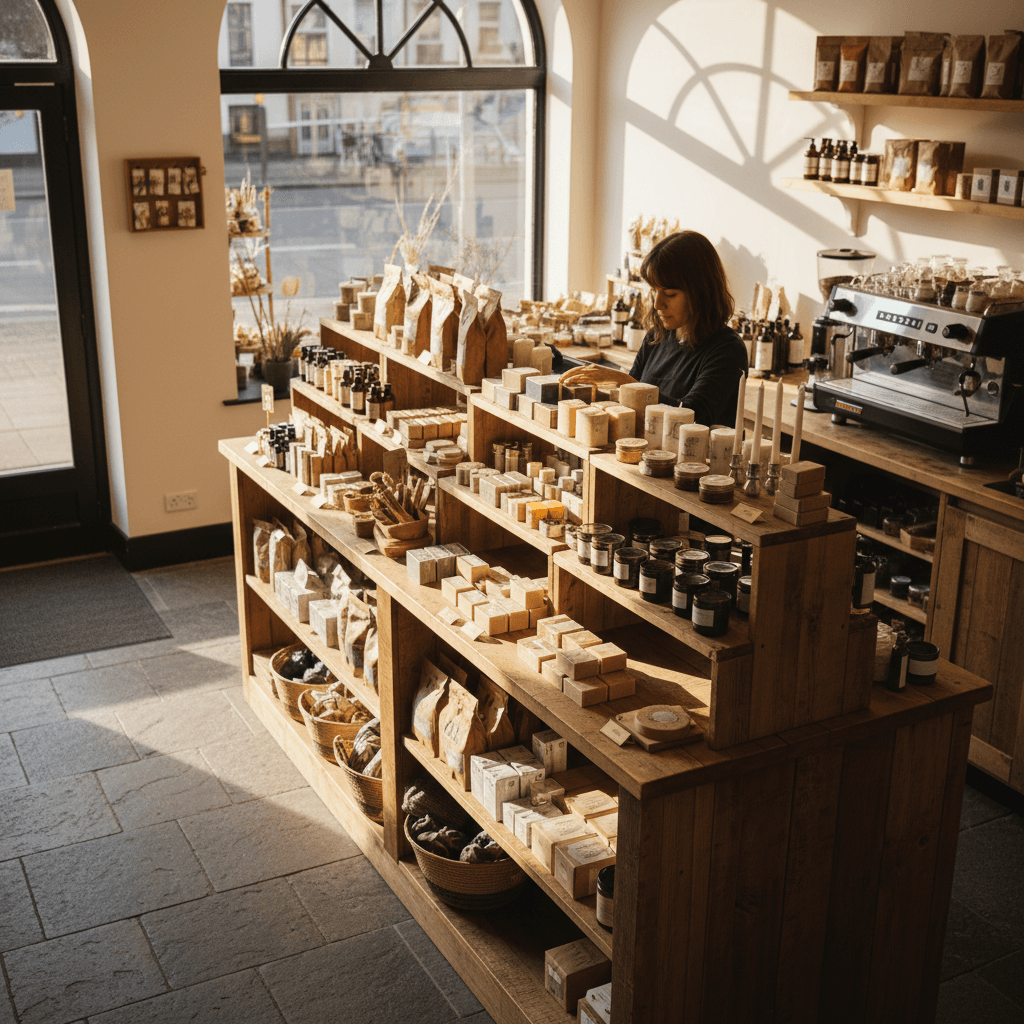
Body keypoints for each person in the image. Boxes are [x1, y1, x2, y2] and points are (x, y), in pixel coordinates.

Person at [626, 231, 747, 427]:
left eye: (670, 294)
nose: (657, 304)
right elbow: (627, 400)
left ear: (700, 292)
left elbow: (693, 415)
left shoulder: (727, 349)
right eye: (654, 291)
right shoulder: (655, 337)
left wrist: (624, 388)